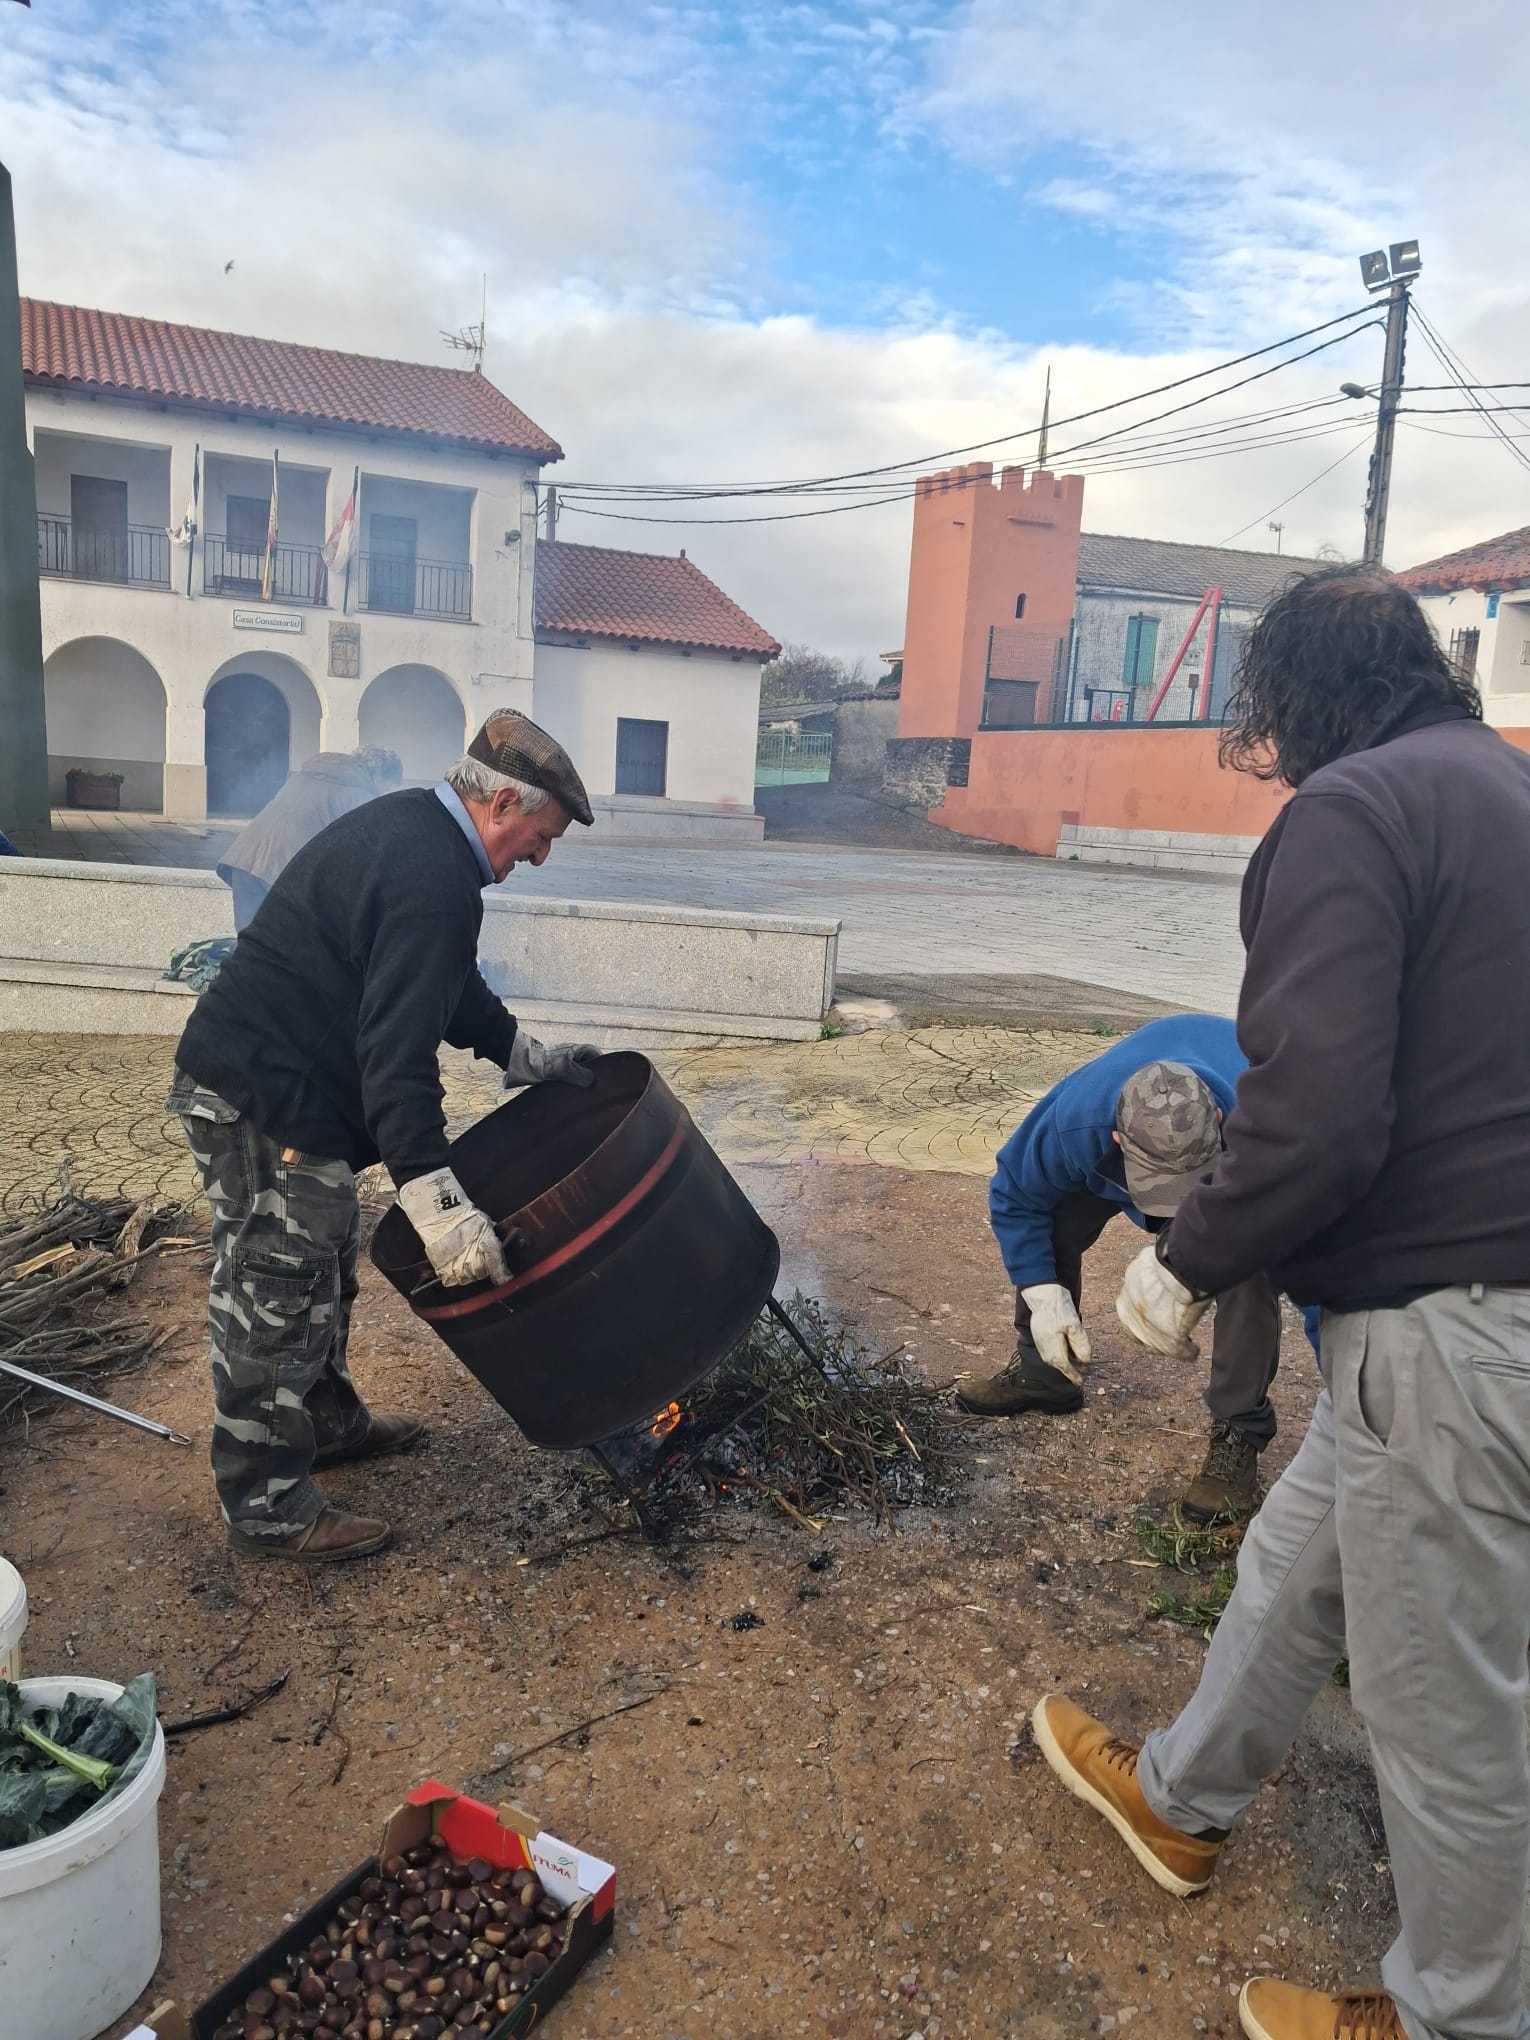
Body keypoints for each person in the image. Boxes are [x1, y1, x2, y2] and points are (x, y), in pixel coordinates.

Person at [1031, 565, 1530, 2040]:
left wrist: (1183, 1261)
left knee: (1439, 1715)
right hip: (1470, 1325)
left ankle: (1461, 2017)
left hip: (1445, 1333)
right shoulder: (1505, 794)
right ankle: (1181, 1799)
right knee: (1292, 1566)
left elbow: (1316, 1114)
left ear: (1299, 700)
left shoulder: (1351, 810)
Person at [168, 709, 600, 1564]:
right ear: (502, 804)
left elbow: (446, 981)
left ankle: (327, 1424)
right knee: (276, 1290)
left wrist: (519, 1052)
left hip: (291, 1092)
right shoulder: (430, 874)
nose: (541, 857)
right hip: (262, 1098)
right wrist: (439, 1203)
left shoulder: (423, 839)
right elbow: (396, 1059)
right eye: (543, 837)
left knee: (324, 1264)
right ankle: (267, 1506)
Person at [961, 1014, 1285, 1523]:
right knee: (1052, 1221)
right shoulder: (1075, 1121)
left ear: (1220, 1122)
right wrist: (1041, 1290)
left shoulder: (1266, 1123)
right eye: (1162, 1189)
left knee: (1251, 1268)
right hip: (1117, 1141)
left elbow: (1304, 1240)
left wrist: (1191, 1268)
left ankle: (1237, 1435)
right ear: (1117, 1139)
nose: (1174, 1209)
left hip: (1233, 1175)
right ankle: (1045, 1372)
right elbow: (1016, 1195)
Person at [217, 744, 403, 930]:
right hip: (282, 872)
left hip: (244, 859)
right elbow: (369, 854)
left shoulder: (307, 776)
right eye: (388, 787)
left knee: (249, 939)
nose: (385, 795)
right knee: (288, 942)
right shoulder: (358, 795)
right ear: (379, 776)